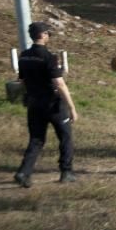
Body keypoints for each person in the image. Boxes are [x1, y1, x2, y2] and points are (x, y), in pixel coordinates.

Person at [14, 22, 79, 188]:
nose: (49, 36)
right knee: (65, 137)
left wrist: (26, 96)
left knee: (36, 140)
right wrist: (71, 107)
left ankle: (23, 172)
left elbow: (21, 81)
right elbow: (59, 83)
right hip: (53, 104)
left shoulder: (23, 56)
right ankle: (66, 172)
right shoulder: (49, 57)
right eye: (48, 33)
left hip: (33, 103)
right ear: (43, 35)